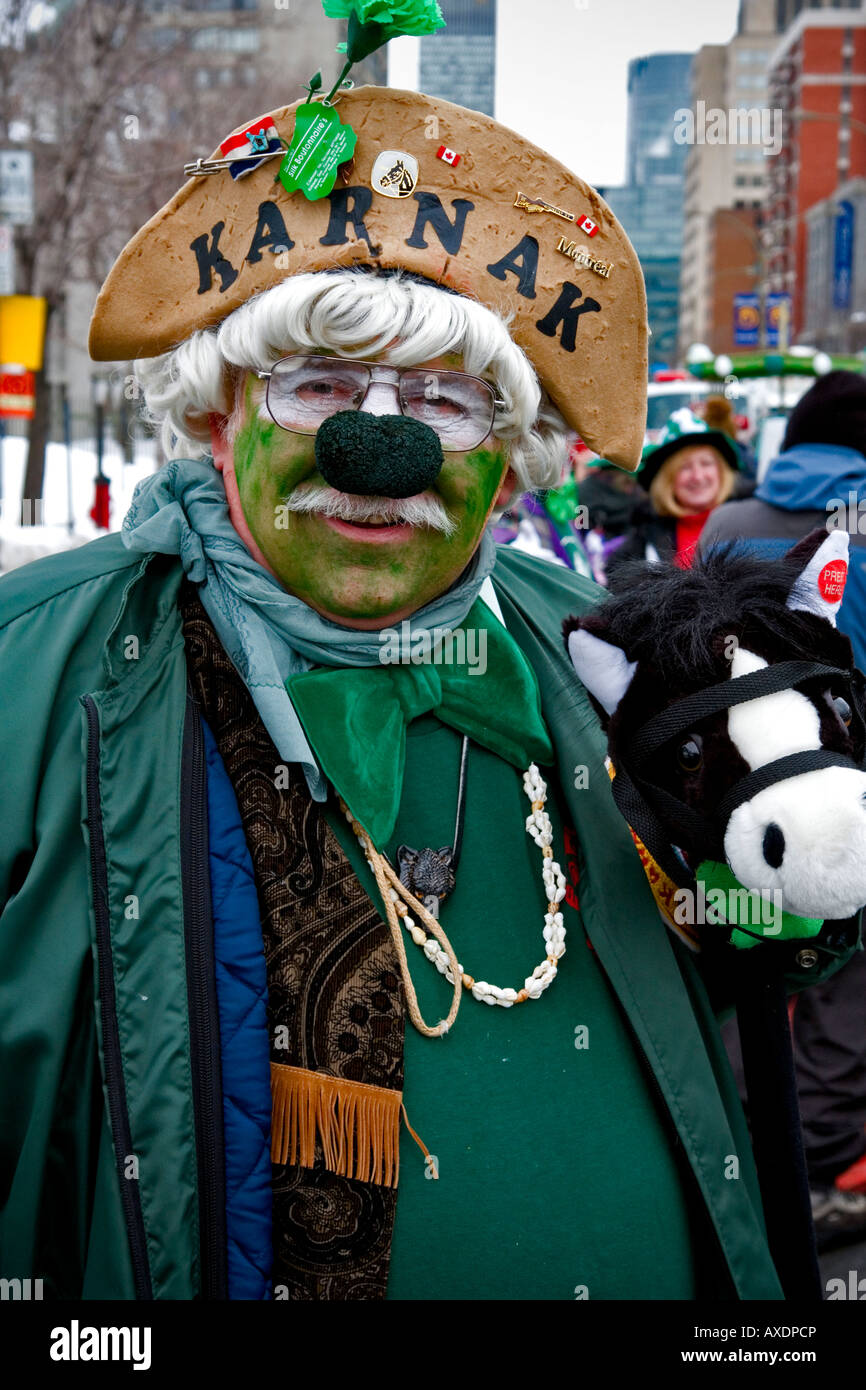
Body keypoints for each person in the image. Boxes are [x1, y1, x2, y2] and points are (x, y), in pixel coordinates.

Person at [0, 80, 856, 1303]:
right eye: (319, 386)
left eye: (444, 403)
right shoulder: (34, 666)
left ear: (507, 453)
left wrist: (798, 891)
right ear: (216, 408)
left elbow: (740, 942)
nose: (378, 444)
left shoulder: (604, 652)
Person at [699, 369, 866, 1249]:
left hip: (737, 784)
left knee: (756, 963)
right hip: (846, 785)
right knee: (846, 977)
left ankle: (738, 1143)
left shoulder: (730, 520)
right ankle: (823, 1169)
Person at [607, 408, 739, 584]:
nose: (698, 476)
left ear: (721, 471)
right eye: (685, 467)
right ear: (667, 479)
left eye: (706, 463)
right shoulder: (641, 542)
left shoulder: (751, 524)